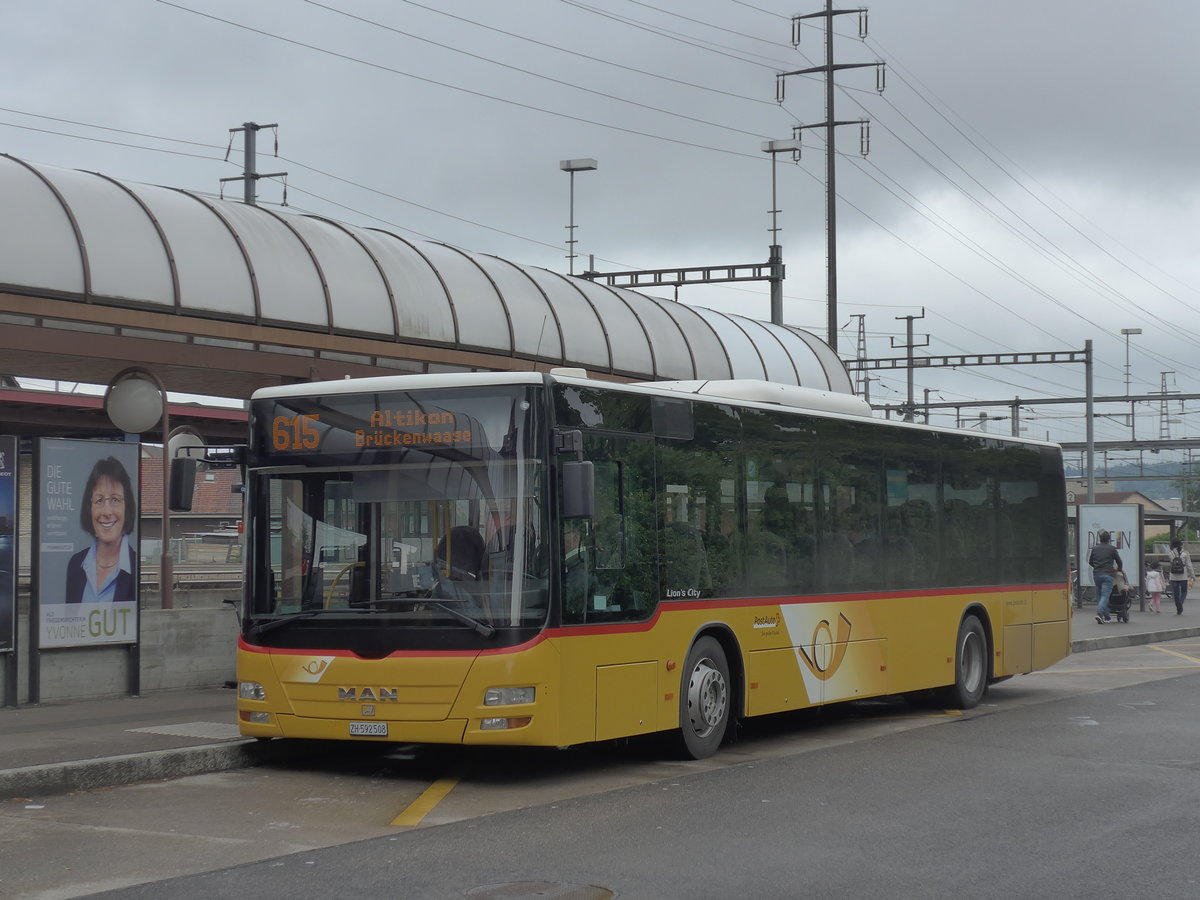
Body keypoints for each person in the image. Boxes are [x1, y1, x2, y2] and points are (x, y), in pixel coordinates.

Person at [66, 456, 137, 604]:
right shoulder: (75, 565)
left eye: (115, 500)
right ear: (89, 507)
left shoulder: (136, 567)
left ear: (127, 507)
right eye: (99, 500)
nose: (106, 512)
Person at [1088, 530, 1123, 624]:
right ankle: (1099, 613)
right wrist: (1118, 569)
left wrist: (1097, 566)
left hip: (1096, 575)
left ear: (1100, 539)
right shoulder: (1112, 549)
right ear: (1109, 540)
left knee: (1099, 595)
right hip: (1108, 574)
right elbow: (1119, 561)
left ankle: (1106, 616)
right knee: (1105, 596)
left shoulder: (1095, 548)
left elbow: (1090, 562)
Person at [1166, 536, 1195, 615]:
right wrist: (1193, 575)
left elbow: (1171, 563)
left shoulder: (1170, 553)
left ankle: (1178, 607)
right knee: (1184, 591)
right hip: (1183, 575)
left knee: (1176, 592)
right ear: (1180, 544)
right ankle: (1181, 602)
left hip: (1173, 575)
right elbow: (1189, 565)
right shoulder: (1185, 553)